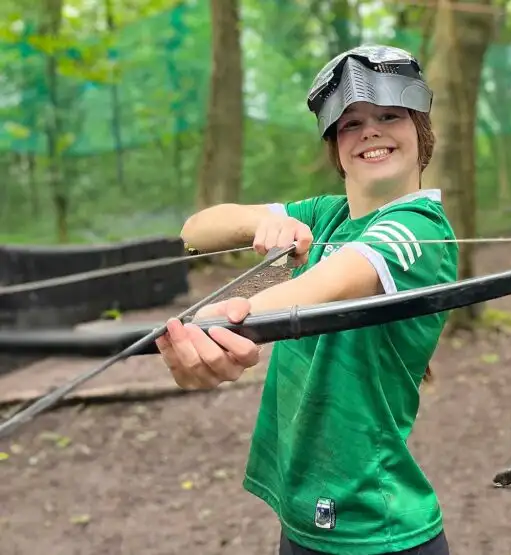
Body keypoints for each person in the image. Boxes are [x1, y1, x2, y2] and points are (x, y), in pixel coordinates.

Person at [154, 45, 458, 555]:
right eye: (349, 123)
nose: (370, 131)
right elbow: (195, 229)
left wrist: (223, 319)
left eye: (389, 116)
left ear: (421, 135)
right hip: (304, 515)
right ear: (336, 149)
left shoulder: (420, 228)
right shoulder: (324, 214)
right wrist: (265, 223)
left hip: (377, 528)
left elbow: (326, 285)